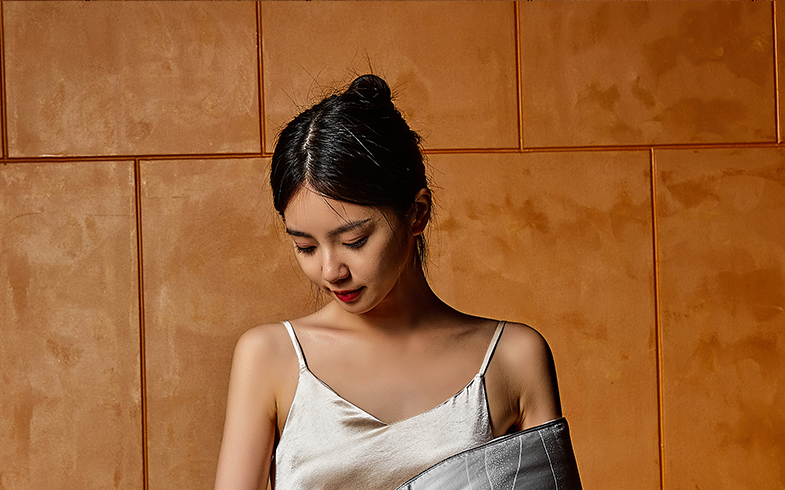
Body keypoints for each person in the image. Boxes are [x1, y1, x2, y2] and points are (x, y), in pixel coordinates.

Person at [214, 74, 580, 490]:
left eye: (354, 240)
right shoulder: (269, 357)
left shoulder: (512, 357)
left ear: (417, 214)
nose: (331, 271)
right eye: (306, 247)